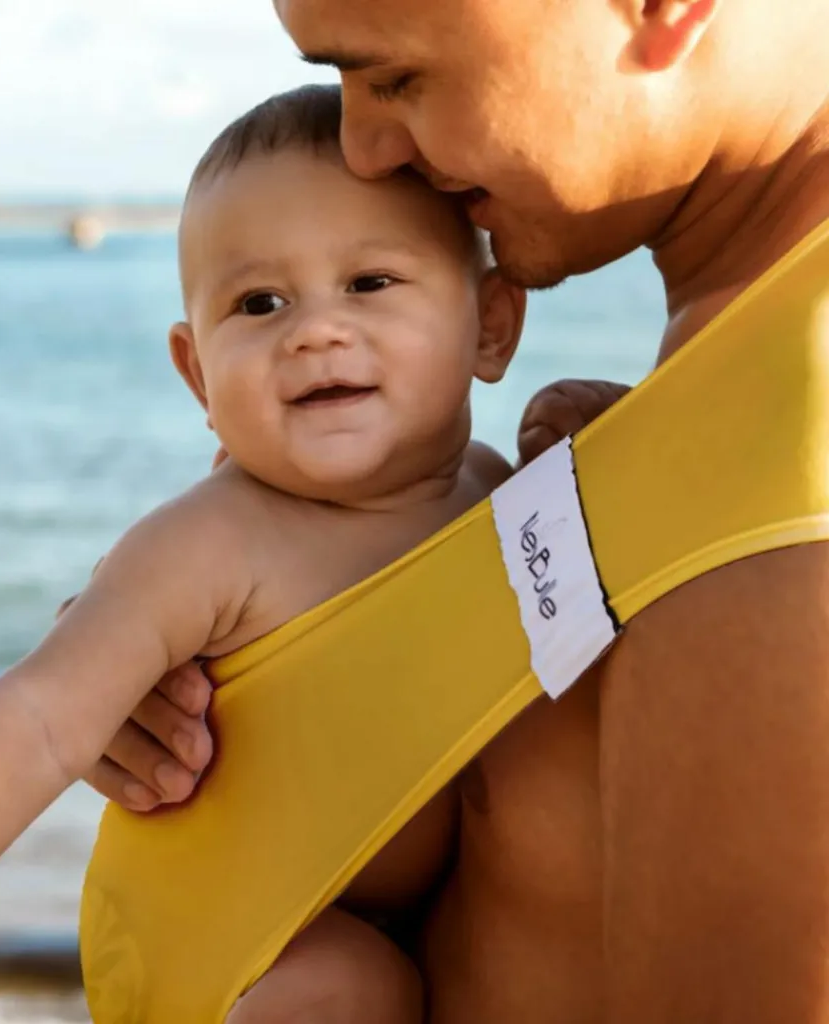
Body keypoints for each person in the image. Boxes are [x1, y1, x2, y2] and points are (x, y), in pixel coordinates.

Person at [0, 86, 621, 1023]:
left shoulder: (511, 502)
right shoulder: (213, 543)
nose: (314, 330)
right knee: (351, 987)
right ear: (197, 373)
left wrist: (616, 438)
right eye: (260, 302)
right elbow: (37, 720)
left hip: (401, 915)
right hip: (233, 937)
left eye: (370, 284)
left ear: (490, 327)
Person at [87, 1, 829, 1021]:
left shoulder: (795, 456)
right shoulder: (741, 393)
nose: (361, 149)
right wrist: (140, 648)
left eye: (394, 80)